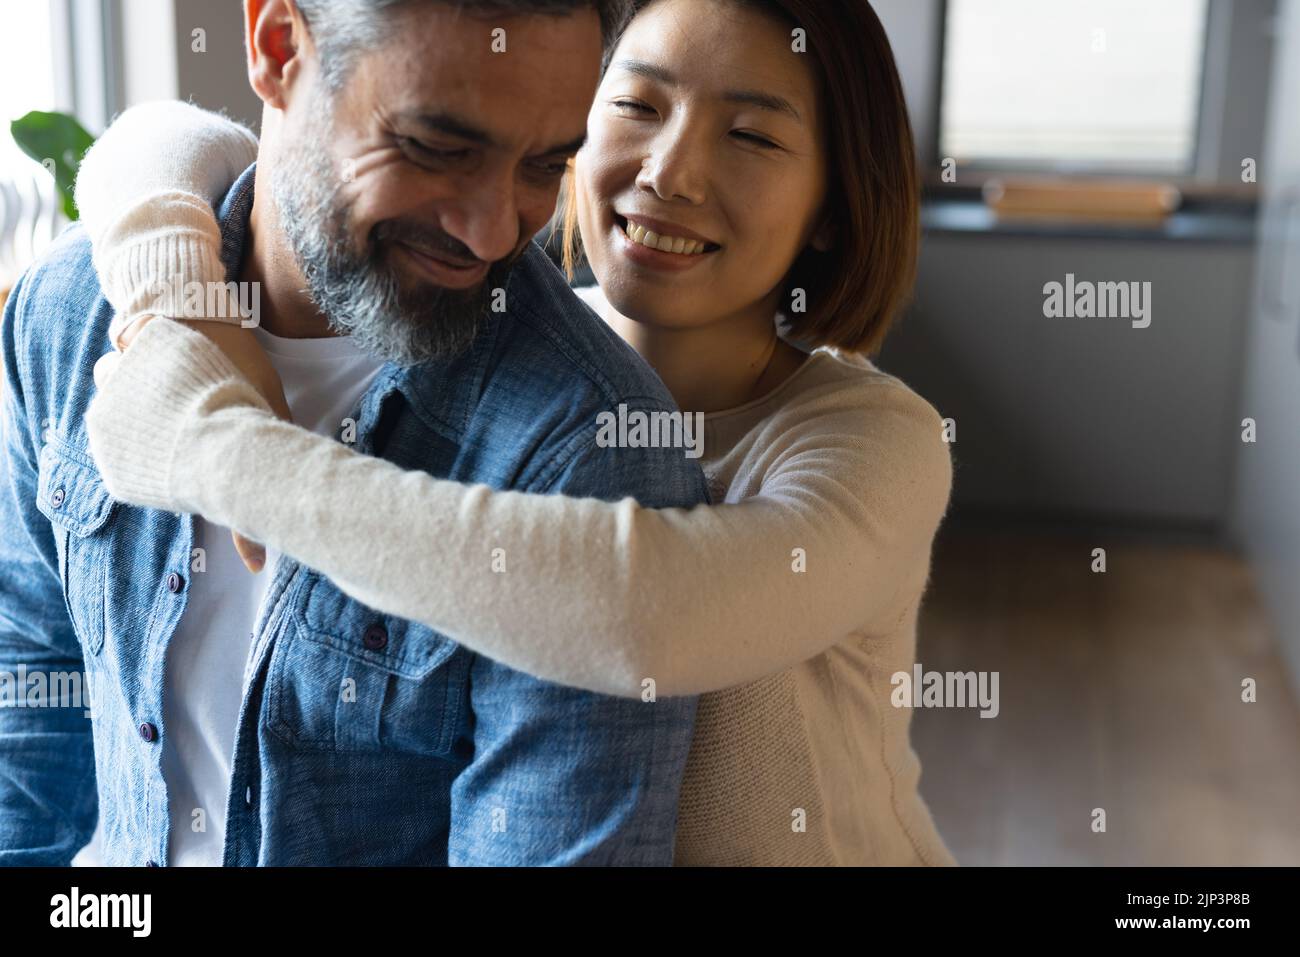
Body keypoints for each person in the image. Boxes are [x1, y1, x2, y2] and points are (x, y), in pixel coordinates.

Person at [85, 0, 958, 865]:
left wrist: (215, 448)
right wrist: (176, 303)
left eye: (753, 137)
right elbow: (177, 144)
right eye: (636, 106)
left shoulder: (874, 445)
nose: (670, 171)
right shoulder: (492, 315)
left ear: (835, 207)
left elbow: (639, 615)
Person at [0, 0, 707, 867]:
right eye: (437, 147)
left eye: (543, 165)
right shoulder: (70, 315)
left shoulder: (591, 456)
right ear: (276, 47)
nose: (491, 232)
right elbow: (32, 701)